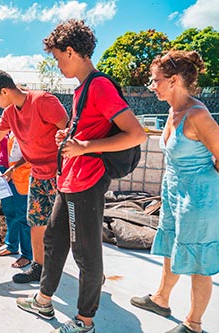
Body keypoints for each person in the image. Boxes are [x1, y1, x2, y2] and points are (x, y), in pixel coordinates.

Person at [16, 19, 146, 333]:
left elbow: (137, 133)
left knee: (85, 253)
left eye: (59, 58)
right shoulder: (81, 90)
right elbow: (87, 130)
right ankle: (44, 301)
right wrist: (70, 139)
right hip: (70, 180)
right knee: (53, 240)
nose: (58, 64)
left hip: (88, 181)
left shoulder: (99, 85)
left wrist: (85, 146)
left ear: (72, 51)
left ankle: (85, 321)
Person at [130, 50, 219, 333]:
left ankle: (193, 325)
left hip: (199, 197)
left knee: (197, 260)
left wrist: (205, 192)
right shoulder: (173, 110)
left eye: (156, 80)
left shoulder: (198, 115)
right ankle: (161, 298)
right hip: (173, 190)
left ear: (175, 80)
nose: (152, 86)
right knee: (171, 246)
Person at [0, 69, 69, 283]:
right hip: (37, 174)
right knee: (36, 221)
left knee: (66, 226)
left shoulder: (43, 101)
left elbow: (70, 130)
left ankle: (89, 270)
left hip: (60, 173)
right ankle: (39, 267)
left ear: (5, 91)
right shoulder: (9, 114)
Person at [0, 128, 32, 268]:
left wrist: (13, 169)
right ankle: (11, 245)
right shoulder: (4, 124)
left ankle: (27, 254)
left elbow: (31, 152)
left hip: (20, 173)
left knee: (22, 214)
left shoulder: (27, 123)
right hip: (5, 170)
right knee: (9, 209)